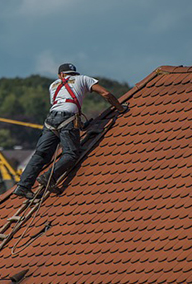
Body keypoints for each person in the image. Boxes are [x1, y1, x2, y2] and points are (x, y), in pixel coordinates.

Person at [13, 63, 127, 199]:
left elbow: (61, 104)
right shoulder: (83, 79)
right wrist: (120, 108)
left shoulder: (53, 85)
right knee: (71, 153)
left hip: (50, 120)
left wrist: (81, 125)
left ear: (61, 75)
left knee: (41, 155)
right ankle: (49, 177)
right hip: (68, 119)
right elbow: (105, 93)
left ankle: (23, 186)